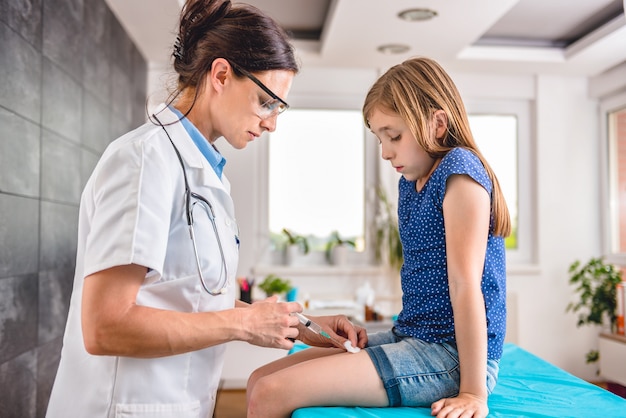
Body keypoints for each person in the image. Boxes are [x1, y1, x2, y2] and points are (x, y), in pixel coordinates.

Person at [45, 1, 364, 417]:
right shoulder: (144, 161)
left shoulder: (207, 175)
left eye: (278, 108)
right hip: (118, 405)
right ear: (221, 75)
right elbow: (106, 325)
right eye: (267, 102)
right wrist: (246, 325)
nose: (272, 123)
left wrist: (307, 327)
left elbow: (188, 298)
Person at [246, 56, 510, 418]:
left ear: (438, 122)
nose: (386, 152)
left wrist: (473, 392)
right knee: (259, 378)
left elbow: (467, 287)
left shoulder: (460, 173)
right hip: (414, 337)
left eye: (395, 136)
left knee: (271, 393)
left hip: (452, 356)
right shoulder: (410, 184)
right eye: (379, 138)